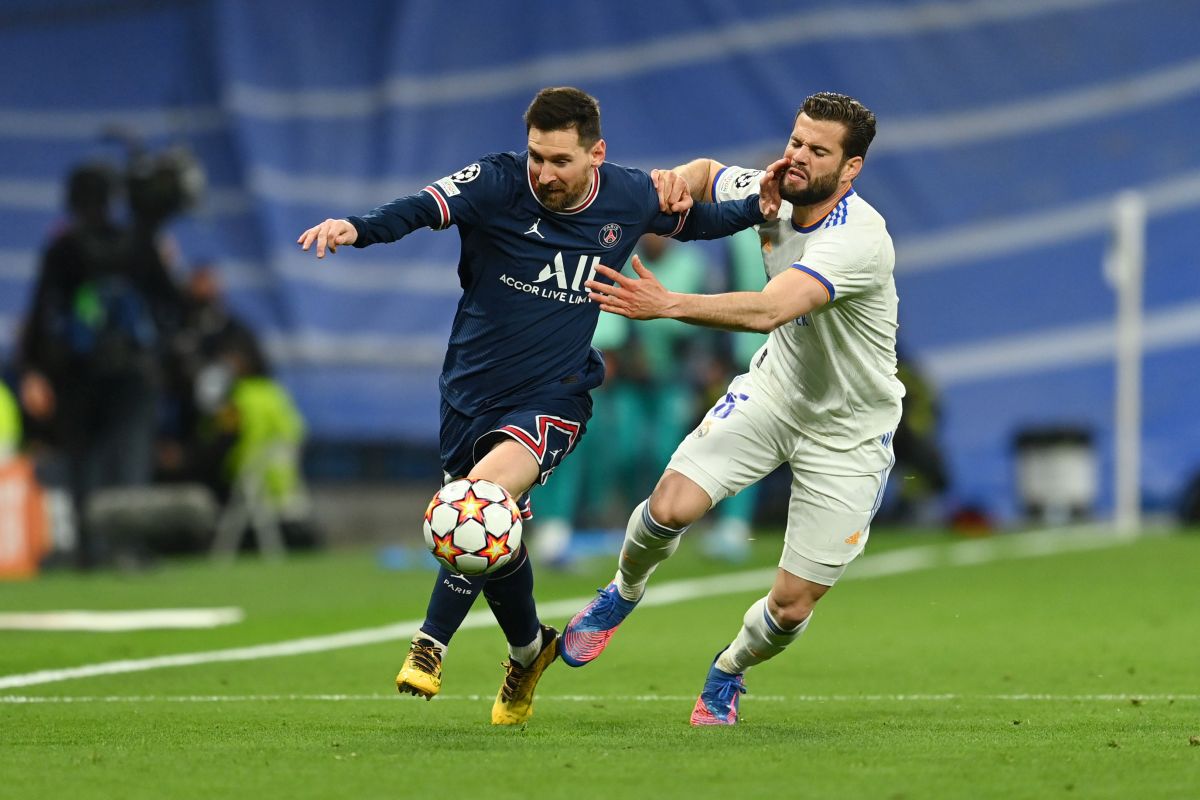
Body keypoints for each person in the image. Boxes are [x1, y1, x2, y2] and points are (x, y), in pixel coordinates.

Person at [298, 86, 784, 725]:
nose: (545, 173)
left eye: (560, 161)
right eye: (537, 157)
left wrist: (759, 206)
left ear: (595, 155)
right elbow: (419, 208)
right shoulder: (496, 182)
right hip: (470, 391)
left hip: (555, 393)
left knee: (477, 505)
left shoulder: (626, 195)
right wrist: (356, 228)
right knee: (495, 534)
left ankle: (430, 642)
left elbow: (696, 223)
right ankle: (529, 651)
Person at [561, 92, 902, 727]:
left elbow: (771, 309)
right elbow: (706, 173)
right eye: (796, 141)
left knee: (792, 606)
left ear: (850, 168)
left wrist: (667, 304)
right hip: (776, 392)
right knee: (669, 507)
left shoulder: (860, 239)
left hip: (850, 430)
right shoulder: (775, 188)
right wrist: (672, 183)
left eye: (818, 151)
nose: (798, 157)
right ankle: (620, 595)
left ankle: (728, 669)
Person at [17, 163, 184, 567]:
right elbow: (172, 305)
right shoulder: (139, 243)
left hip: (77, 373)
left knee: (83, 464)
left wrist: (32, 369)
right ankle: (127, 548)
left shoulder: (62, 248)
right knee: (130, 460)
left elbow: (41, 313)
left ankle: (90, 550)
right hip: (133, 373)